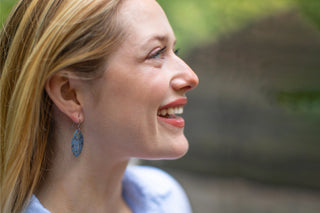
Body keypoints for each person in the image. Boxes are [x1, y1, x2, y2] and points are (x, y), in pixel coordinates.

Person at [0, 0, 199, 212]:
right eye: (156, 53)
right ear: (70, 94)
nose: (191, 77)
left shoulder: (166, 199)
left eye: (174, 51)